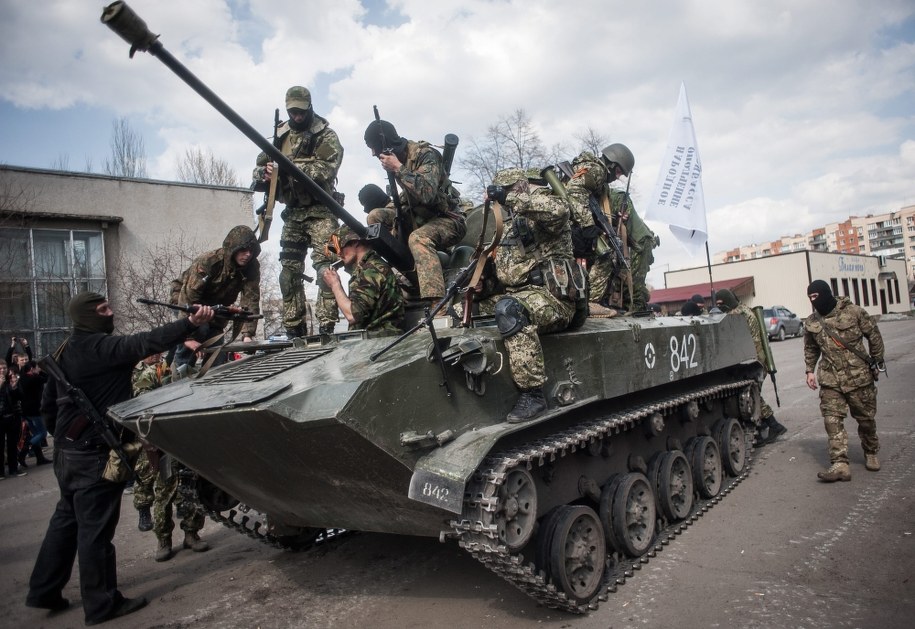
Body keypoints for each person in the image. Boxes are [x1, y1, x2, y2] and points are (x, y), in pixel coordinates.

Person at [25, 292, 214, 625]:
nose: (110, 313)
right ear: (86, 316)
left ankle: (44, 590)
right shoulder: (98, 348)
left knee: (65, 521)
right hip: (94, 455)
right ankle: (101, 604)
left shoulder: (65, 350)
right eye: (103, 310)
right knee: (95, 531)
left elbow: (49, 405)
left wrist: (66, 438)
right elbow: (144, 343)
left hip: (68, 454)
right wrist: (190, 322)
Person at [485, 168, 586, 422]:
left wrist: (510, 197)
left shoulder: (546, 208)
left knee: (509, 310)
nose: (502, 198)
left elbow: (560, 211)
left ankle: (532, 394)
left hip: (552, 299)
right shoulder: (508, 226)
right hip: (521, 294)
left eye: (507, 191)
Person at [252, 86, 343, 337]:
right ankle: (295, 329)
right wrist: (267, 173)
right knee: (287, 273)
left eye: (301, 112)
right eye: (293, 112)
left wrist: (290, 166)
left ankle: (327, 326)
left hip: (323, 211)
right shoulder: (280, 136)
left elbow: (326, 169)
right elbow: (257, 172)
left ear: (310, 107)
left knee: (327, 267)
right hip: (292, 214)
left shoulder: (326, 135)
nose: (297, 117)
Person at [363, 118, 466, 308]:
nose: (372, 153)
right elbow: (408, 199)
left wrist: (398, 169)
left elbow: (427, 194)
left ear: (385, 144)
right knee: (374, 217)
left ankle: (438, 304)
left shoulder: (425, 154)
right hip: (421, 218)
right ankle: (387, 279)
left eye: (373, 147)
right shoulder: (399, 160)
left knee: (419, 239)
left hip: (449, 220)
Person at [803, 280, 885, 482]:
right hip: (830, 379)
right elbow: (811, 348)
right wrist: (809, 371)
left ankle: (871, 451)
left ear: (825, 294)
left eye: (816, 296)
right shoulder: (812, 322)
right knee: (832, 420)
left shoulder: (854, 312)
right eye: (810, 298)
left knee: (866, 419)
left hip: (858, 377)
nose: (814, 301)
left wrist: (877, 361)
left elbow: (873, 335)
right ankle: (840, 464)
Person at [172, 225, 261, 373]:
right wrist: (188, 337)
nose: (248, 255)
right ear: (233, 249)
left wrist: (247, 335)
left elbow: (250, 299)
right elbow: (188, 296)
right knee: (200, 330)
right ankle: (179, 375)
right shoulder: (209, 262)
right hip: (185, 301)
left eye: (251, 251)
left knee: (217, 344)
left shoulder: (251, 268)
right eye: (243, 250)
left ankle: (212, 381)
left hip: (216, 309)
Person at [715, 289, 787, 446]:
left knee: (750, 397)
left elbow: (742, 342)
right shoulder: (740, 311)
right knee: (752, 396)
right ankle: (768, 426)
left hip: (754, 363)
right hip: (755, 361)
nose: (720, 307)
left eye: (721, 304)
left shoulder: (739, 315)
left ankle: (771, 427)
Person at [321, 226, 405, 335]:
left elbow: (352, 315)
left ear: (355, 242)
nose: (339, 253)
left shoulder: (372, 270)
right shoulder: (365, 269)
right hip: (372, 340)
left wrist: (335, 285)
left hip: (380, 340)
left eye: (340, 247)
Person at [130, 353, 169, 533]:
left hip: (164, 424)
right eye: (152, 353)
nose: (156, 356)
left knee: (170, 473)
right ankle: (143, 509)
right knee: (145, 472)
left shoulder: (166, 368)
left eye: (158, 352)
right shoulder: (133, 371)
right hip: (142, 427)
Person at [17, 360, 51, 467]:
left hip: (25, 411)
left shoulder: (22, 378)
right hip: (35, 410)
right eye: (37, 367)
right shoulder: (35, 378)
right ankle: (25, 448)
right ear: (32, 369)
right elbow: (49, 378)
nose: (39, 369)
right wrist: (41, 371)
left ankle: (38, 458)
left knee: (36, 433)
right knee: (42, 433)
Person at [0, 362, 26, 479]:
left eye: (4, 368)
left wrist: (14, 387)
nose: (2, 370)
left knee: (12, 445)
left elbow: (20, 396)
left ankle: (13, 469)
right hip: (1, 418)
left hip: (13, 417)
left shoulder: (12, 380)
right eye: (0, 368)